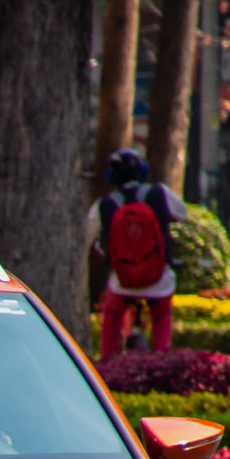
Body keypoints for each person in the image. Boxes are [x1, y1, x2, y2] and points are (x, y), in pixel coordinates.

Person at [85, 148, 185, 354]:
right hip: (159, 279)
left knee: (112, 314)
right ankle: (161, 357)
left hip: (124, 281)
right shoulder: (159, 193)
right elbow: (182, 214)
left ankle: (109, 361)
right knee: (161, 315)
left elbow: (86, 238)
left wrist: (95, 252)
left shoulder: (104, 205)